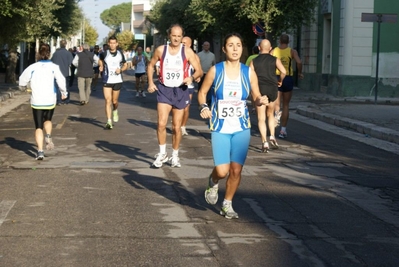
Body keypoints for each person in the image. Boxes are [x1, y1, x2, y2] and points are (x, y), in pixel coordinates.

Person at [198, 33, 269, 219]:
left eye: (238, 45)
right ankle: (212, 181)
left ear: (242, 48)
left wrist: (260, 100)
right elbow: (202, 92)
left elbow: (255, 96)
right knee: (222, 170)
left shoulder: (248, 72)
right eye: (231, 45)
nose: (235, 49)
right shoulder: (216, 71)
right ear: (224, 49)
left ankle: (227, 204)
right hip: (221, 128)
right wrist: (204, 106)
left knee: (236, 169)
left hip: (241, 128)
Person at [147, 24, 203, 168]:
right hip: (164, 89)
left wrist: (191, 78)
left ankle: (175, 155)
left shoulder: (187, 52)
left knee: (176, 127)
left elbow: (199, 71)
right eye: (174, 36)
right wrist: (150, 83)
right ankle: (162, 153)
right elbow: (151, 65)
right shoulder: (161, 50)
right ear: (169, 36)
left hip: (181, 90)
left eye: (179, 36)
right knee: (161, 124)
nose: (176, 39)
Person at [19, 44, 68, 160]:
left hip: (37, 100)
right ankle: (49, 136)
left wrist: (23, 87)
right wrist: (64, 92)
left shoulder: (32, 67)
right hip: (50, 99)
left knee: (38, 127)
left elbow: (22, 80)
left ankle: (40, 151)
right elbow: (61, 80)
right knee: (48, 120)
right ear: (49, 53)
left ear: (38, 53)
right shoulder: (54, 67)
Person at [251, 39, 286, 152]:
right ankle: (272, 136)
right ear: (270, 48)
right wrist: (280, 80)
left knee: (261, 118)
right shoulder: (275, 59)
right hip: (272, 88)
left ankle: (264, 142)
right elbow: (284, 71)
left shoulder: (254, 61)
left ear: (259, 48)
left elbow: (250, 76)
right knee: (270, 114)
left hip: (259, 89)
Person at [271, 34, 304, 138]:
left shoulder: (274, 51)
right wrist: (299, 72)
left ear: (280, 41)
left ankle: (276, 116)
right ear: (288, 41)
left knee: (276, 103)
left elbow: (268, 62)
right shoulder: (292, 51)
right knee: (286, 105)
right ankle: (283, 130)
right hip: (288, 78)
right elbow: (299, 62)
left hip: (276, 77)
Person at [98, 36, 128, 129]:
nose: (112, 45)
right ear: (108, 43)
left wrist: (121, 70)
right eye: (110, 43)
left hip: (117, 80)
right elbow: (100, 60)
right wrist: (101, 66)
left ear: (117, 44)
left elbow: (125, 65)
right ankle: (109, 121)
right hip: (107, 79)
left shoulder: (120, 54)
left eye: (114, 43)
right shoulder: (104, 53)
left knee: (114, 101)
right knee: (108, 100)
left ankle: (115, 110)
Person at [180, 36, 201, 136]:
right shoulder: (176, 54)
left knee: (186, 108)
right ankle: (177, 124)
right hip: (177, 85)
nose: (183, 44)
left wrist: (197, 77)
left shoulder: (195, 56)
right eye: (182, 42)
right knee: (177, 108)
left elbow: (199, 71)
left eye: (185, 43)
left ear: (190, 44)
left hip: (189, 86)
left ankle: (183, 126)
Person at [51, 40, 73, 105]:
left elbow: (52, 62)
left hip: (57, 73)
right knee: (66, 86)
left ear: (60, 44)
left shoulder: (56, 53)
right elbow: (71, 63)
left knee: (57, 87)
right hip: (65, 72)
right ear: (65, 44)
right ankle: (66, 100)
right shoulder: (68, 53)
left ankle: (59, 100)